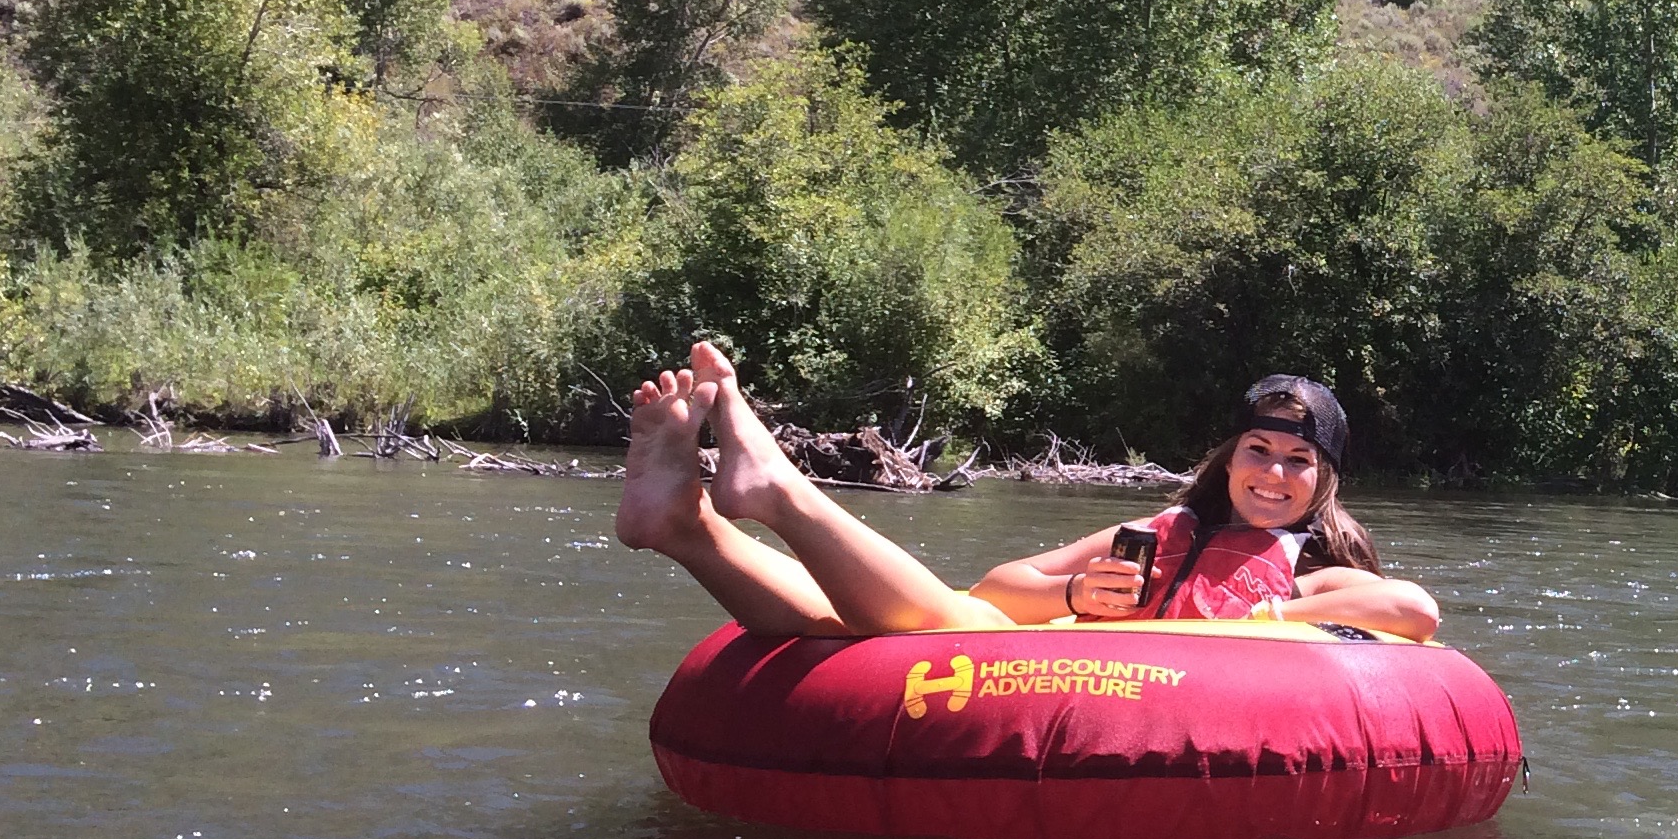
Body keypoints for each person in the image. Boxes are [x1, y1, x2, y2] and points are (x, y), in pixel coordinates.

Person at [614, 342, 1441, 642]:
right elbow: (1002, 588)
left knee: (876, 625)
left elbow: (1412, 611)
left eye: (1301, 461)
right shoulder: (1164, 528)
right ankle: (688, 524)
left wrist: (1265, 613)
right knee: (921, 614)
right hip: (1070, 662)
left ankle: (750, 506)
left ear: (1325, 479)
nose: (1274, 473)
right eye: (1258, 450)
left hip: (1195, 688)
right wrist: (1079, 592)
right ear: (1227, 460)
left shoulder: (1318, 565)